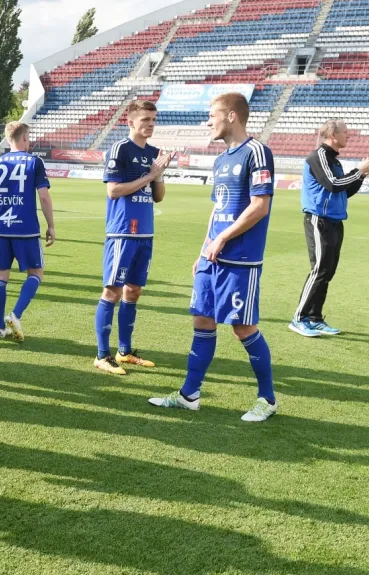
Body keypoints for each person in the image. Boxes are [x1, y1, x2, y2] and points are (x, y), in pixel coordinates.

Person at [149, 92, 278, 422]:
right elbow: (217, 209)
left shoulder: (257, 152)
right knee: (202, 320)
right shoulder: (221, 159)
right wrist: (204, 248)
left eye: (212, 115)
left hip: (241, 259)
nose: (208, 122)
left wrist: (221, 238)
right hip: (213, 256)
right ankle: (189, 395)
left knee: (243, 328)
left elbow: (259, 206)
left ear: (232, 116)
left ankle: (267, 399)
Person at [93, 100, 172, 375]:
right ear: (131, 122)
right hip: (123, 231)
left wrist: (158, 175)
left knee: (133, 291)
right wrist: (149, 174)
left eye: (153, 119)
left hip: (146, 233)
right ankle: (102, 355)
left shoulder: (155, 152)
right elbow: (113, 191)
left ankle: (124, 351)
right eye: (145, 120)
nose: (150, 124)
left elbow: (158, 196)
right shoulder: (120, 149)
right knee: (112, 291)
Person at [289, 119, 369, 337]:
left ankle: (315, 318)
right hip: (318, 220)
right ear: (332, 133)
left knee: (327, 272)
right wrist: (358, 171)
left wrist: (361, 175)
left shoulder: (335, 161)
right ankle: (299, 318)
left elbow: (343, 191)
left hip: (335, 221)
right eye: (345, 132)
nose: (348, 136)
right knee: (319, 270)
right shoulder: (318, 156)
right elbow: (332, 184)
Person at [0, 122, 54, 342]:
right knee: (36, 273)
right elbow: (44, 197)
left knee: (1, 277)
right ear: (23, 138)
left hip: (2, 231)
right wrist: (51, 225)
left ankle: (0, 327)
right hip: (27, 230)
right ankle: (15, 315)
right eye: (28, 138)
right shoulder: (34, 162)